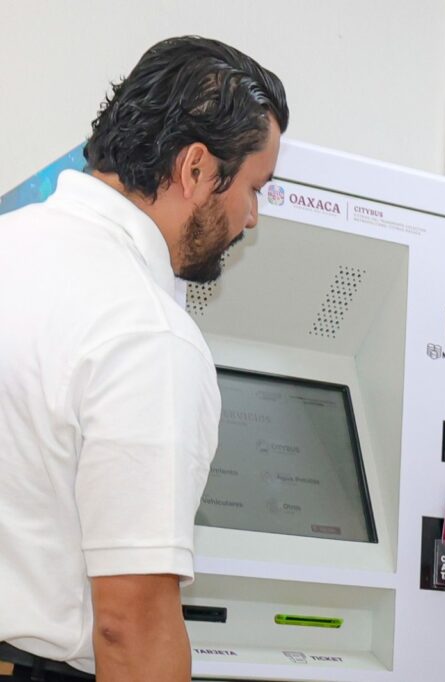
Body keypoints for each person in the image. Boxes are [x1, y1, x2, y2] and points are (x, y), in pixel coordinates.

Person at [0, 36, 288, 681]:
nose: (252, 217)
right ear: (196, 169)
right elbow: (129, 625)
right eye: (253, 187)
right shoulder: (147, 332)